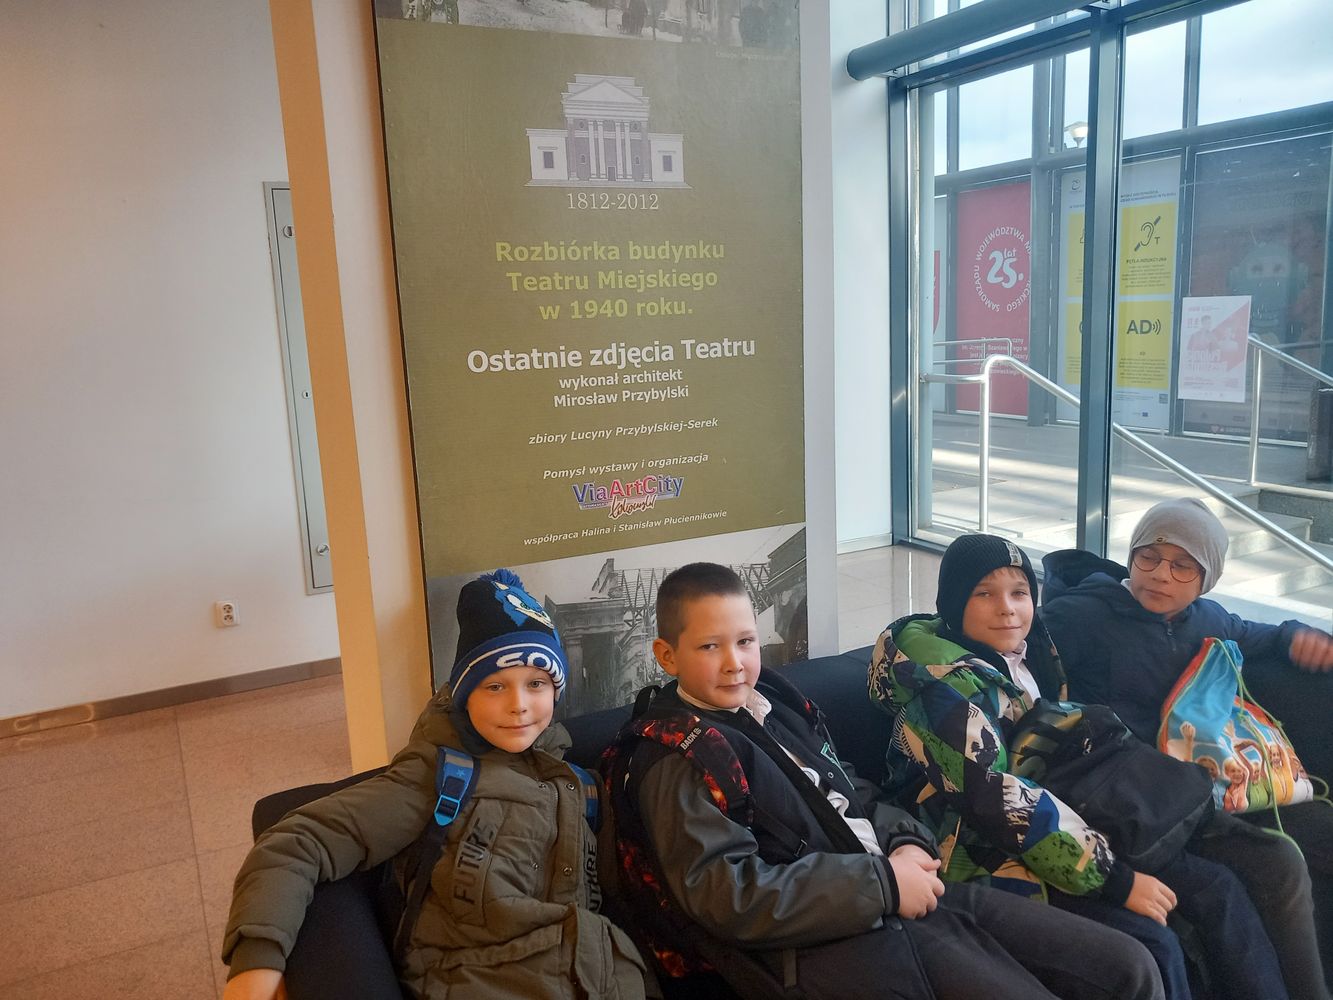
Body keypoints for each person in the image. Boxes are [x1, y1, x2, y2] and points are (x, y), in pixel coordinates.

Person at [604, 561, 1166, 1000]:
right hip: (832, 935)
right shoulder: (677, 757)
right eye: (710, 646)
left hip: (902, 883)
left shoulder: (771, 703)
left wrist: (905, 840)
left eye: (745, 641)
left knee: (1129, 967)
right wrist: (884, 885)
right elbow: (728, 895)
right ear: (667, 656)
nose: (734, 662)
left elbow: (850, 787)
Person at [869, 533, 1288, 1000]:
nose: (1007, 608)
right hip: (975, 851)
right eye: (984, 593)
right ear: (952, 603)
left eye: (1019, 592)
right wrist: (1116, 880)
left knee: (1218, 889)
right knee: (1155, 945)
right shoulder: (941, 695)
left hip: (1063, 819)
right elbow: (997, 802)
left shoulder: (1028, 653)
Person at [220, 570, 647, 1000]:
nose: (518, 705)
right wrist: (256, 963)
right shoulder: (437, 774)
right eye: (495, 686)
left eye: (536, 683)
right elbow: (297, 842)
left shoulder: (578, 784)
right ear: (464, 695)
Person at [1043, 497, 1333, 999]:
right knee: (1279, 865)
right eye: (1148, 557)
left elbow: (1257, 635)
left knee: (1319, 832)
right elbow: (1018, 652)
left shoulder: (1206, 619)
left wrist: (1297, 638)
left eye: (1183, 565)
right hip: (1138, 803)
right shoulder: (1081, 616)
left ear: (1206, 579)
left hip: (1205, 786)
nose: (1161, 574)